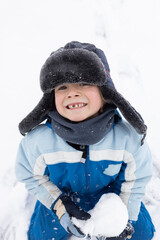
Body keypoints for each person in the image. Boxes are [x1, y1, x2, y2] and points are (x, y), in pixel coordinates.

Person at [15, 41, 155, 240]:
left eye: (83, 83)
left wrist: (125, 217)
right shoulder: (39, 142)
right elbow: (30, 175)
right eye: (62, 87)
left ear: (106, 92)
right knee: (42, 236)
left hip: (112, 196)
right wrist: (61, 206)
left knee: (140, 234)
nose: (72, 92)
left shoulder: (126, 138)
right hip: (63, 198)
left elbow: (136, 179)